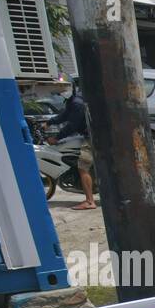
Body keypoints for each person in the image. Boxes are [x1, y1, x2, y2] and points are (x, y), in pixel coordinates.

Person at [52, 79, 96, 210]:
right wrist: (49, 122)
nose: (62, 90)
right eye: (60, 87)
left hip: (91, 138)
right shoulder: (72, 102)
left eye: (64, 87)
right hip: (89, 135)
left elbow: (72, 126)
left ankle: (89, 201)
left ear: (72, 87)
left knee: (83, 167)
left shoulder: (77, 103)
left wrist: (56, 138)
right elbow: (64, 116)